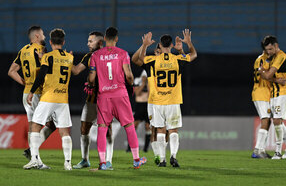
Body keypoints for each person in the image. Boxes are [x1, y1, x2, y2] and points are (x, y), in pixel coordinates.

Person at [87, 27, 146, 170]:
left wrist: (91, 84)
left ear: (105, 39)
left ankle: (102, 163)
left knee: (102, 128)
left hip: (104, 97)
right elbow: (129, 75)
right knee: (129, 126)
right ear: (117, 39)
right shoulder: (123, 54)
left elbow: (91, 78)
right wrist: (131, 84)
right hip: (120, 94)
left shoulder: (95, 56)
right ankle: (136, 160)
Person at [138, 29, 197, 167]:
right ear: (171, 45)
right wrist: (188, 43)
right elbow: (193, 55)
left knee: (160, 130)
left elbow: (141, 58)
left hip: (157, 101)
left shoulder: (153, 60)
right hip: (173, 100)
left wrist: (145, 45)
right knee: (173, 130)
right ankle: (174, 156)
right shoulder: (177, 60)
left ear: (160, 44)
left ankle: (162, 159)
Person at [23, 28, 74, 170]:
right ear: (63, 42)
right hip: (63, 99)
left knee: (35, 126)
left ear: (50, 42)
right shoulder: (70, 58)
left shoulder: (47, 56)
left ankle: (34, 159)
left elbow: (42, 75)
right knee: (64, 131)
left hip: (48, 97)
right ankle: (68, 163)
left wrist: (32, 91)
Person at [8, 26, 56, 168]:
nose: (45, 37)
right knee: (50, 123)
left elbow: (11, 71)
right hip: (38, 92)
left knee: (33, 124)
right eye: (42, 34)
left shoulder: (23, 50)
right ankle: (34, 157)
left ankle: (33, 156)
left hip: (27, 93)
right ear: (36, 36)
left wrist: (26, 84)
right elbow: (45, 71)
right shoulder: (41, 50)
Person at [72, 31, 115, 169]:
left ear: (100, 43)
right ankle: (85, 160)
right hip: (91, 100)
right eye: (88, 41)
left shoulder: (111, 55)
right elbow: (76, 71)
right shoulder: (89, 56)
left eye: (91, 41)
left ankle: (108, 161)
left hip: (106, 99)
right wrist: (68, 61)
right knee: (84, 128)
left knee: (108, 129)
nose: (88, 43)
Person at [258, 35, 286, 159]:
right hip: (274, 91)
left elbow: (266, 74)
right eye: (266, 50)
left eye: (270, 49)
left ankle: (278, 151)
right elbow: (262, 73)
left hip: (284, 91)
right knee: (277, 120)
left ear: (276, 46)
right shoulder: (270, 57)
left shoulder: (281, 56)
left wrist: (265, 74)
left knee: (276, 120)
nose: (268, 52)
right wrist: (274, 79)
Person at [251, 43, 286, 159]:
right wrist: (277, 80)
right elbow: (264, 75)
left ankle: (261, 150)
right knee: (266, 120)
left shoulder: (259, 59)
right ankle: (257, 150)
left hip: (263, 93)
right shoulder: (263, 60)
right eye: (269, 50)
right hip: (261, 93)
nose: (271, 52)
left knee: (269, 121)